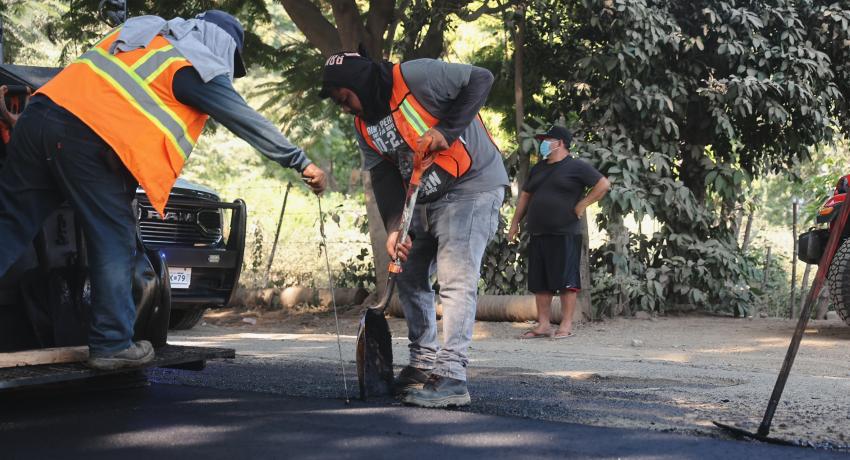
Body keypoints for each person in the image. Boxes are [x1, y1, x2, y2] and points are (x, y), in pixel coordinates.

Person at [0, 10, 326, 370]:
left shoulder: (140, 37)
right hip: (84, 138)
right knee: (114, 238)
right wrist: (301, 162)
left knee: (9, 226)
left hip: (39, 116)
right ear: (222, 44)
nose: (227, 74)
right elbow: (245, 119)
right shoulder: (195, 63)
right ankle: (111, 344)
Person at [320, 51, 509, 408]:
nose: (344, 108)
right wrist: (395, 228)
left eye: (345, 98)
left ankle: (452, 375)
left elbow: (481, 77)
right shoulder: (365, 125)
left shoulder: (417, 76)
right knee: (406, 269)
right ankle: (424, 364)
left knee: (455, 277)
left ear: (360, 83)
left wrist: (446, 130)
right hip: (425, 196)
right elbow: (383, 174)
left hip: (473, 186)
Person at [508, 125, 609, 339]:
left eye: (548, 140)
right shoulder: (539, 168)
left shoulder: (576, 167)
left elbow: (603, 184)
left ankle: (566, 325)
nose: (543, 144)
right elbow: (525, 196)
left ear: (560, 143)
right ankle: (543, 325)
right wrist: (515, 223)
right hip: (538, 232)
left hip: (565, 233)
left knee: (566, 282)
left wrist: (582, 205)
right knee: (540, 283)